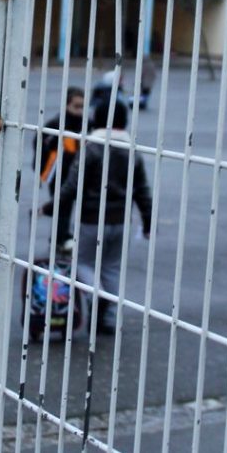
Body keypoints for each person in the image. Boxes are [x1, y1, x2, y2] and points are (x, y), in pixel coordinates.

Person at [54, 100, 152, 333]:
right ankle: (107, 320)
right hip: (120, 221)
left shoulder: (92, 147)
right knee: (112, 268)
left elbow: (72, 184)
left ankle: (97, 296)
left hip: (91, 218)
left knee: (83, 263)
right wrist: (147, 221)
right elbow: (142, 190)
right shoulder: (132, 151)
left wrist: (52, 206)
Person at [36, 87, 86, 252]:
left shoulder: (86, 124)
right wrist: (42, 169)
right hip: (58, 173)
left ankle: (62, 234)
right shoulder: (55, 125)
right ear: (67, 105)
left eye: (82, 107)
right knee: (62, 205)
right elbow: (40, 144)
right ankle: (59, 238)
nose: (80, 111)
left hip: (77, 173)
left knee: (67, 206)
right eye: (76, 106)